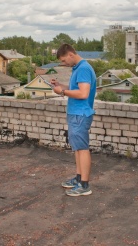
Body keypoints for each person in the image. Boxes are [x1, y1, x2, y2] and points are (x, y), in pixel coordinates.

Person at [51, 44, 96, 196]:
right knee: (78, 148)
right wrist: (60, 86)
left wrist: (62, 92)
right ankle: (78, 179)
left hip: (80, 114)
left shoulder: (83, 68)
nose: (64, 64)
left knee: (82, 149)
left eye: (64, 60)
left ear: (70, 54)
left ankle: (84, 185)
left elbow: (83, 93)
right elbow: (76, 89)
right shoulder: (79, 68)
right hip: (75, 113)